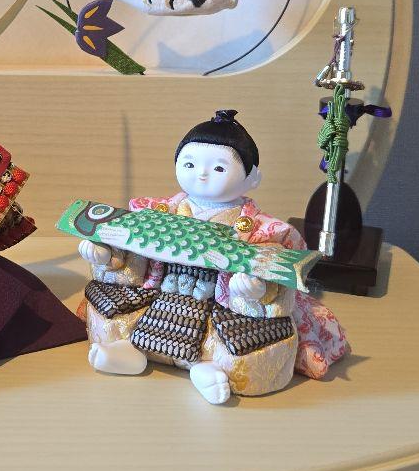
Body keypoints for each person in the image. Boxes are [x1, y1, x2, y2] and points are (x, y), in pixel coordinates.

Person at [79, 110, 349, 404]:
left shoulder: (265, 230)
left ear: (253, 177)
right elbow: (134, 258)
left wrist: (256, 289)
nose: (202, 174)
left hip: (221, 301)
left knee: (251, 336)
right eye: (190, 164)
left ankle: (207, 368)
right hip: (162, 289)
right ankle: (132, 351)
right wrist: (107, 256)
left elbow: (273, 265)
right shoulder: (156, 211)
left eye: (219, 168)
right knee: (112, 306)